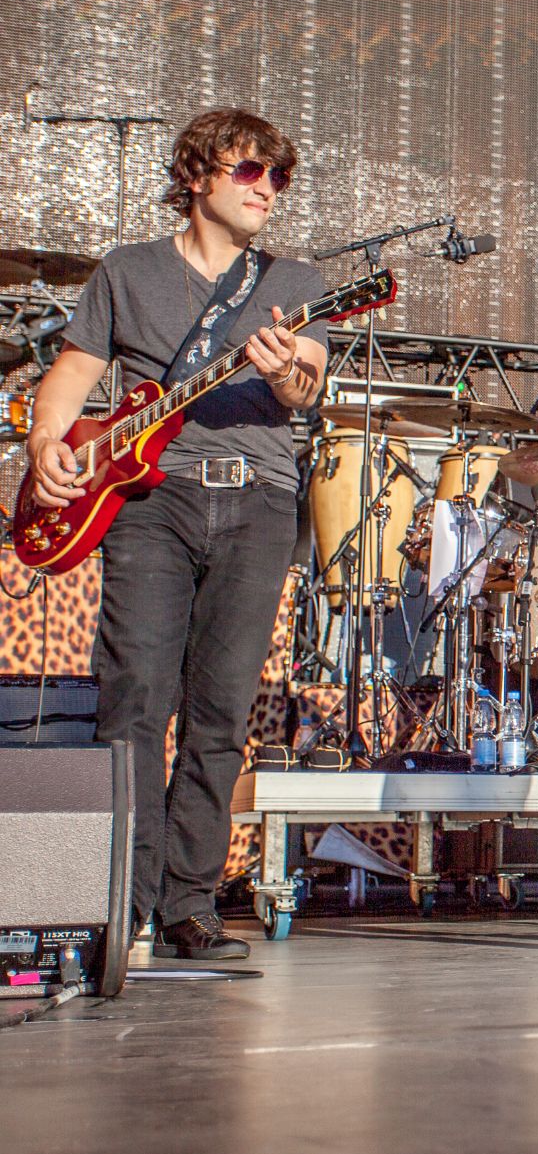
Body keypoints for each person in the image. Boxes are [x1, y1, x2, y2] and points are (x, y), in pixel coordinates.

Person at [25, 108, 329, 960]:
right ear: (196, 175)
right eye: (249, 170)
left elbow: (308, 382)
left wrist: (288, 372)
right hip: (150, 502)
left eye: (278, 175)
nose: (267, 188)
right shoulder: (128, 271)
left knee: (221, 709)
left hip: (259, 500)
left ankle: (189, 901)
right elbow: (74, 373)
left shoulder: (295, 279)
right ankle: (120, 899)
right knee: (133, 698)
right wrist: (47, 442)